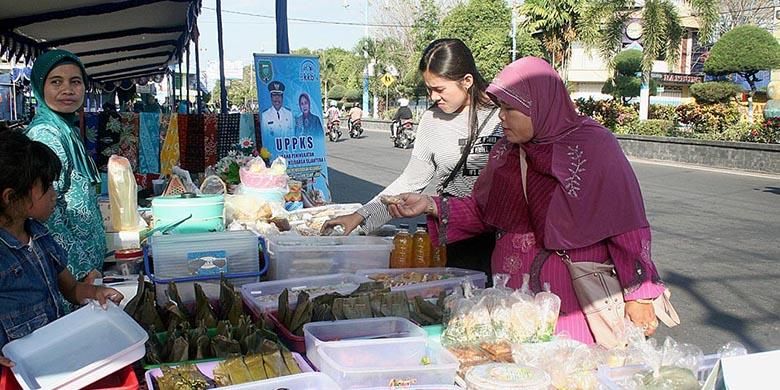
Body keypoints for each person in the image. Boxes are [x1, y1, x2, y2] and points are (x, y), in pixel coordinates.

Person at [387, 57, 666, 344]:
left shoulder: (593, 147)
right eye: (500, 108)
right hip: (515, 302)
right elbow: (486, 211)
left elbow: (626, 224)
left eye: (510, 109)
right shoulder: (507, 152)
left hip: (573, 304)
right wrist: (430, 204)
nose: (501, 117)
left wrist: (640, 294)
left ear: (539, 105)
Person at [323, 39, 504, 277]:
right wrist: (360, 216)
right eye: (429, 89)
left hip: (503, 238)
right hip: (456, 237)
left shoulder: (504, 116)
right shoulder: (431, 120)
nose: (433, 97)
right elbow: (410, 181)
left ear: (467, 81)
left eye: (440, 89)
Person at [0, 131, 124, 361]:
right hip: (18, 369)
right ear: (10, 197)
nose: (54, 195)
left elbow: (72, 289)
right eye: (47, 187)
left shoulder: (40, 237)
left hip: (53, 355)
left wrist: (96, 293)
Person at [24, 50, 106, 292]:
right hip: (69, 278)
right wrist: (79, 269)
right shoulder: (45, 135)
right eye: (56, 82)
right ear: (40, 87)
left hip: (81, 272)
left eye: (75, 82)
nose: (67, 90)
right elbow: (45, 215)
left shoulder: (65, 130)